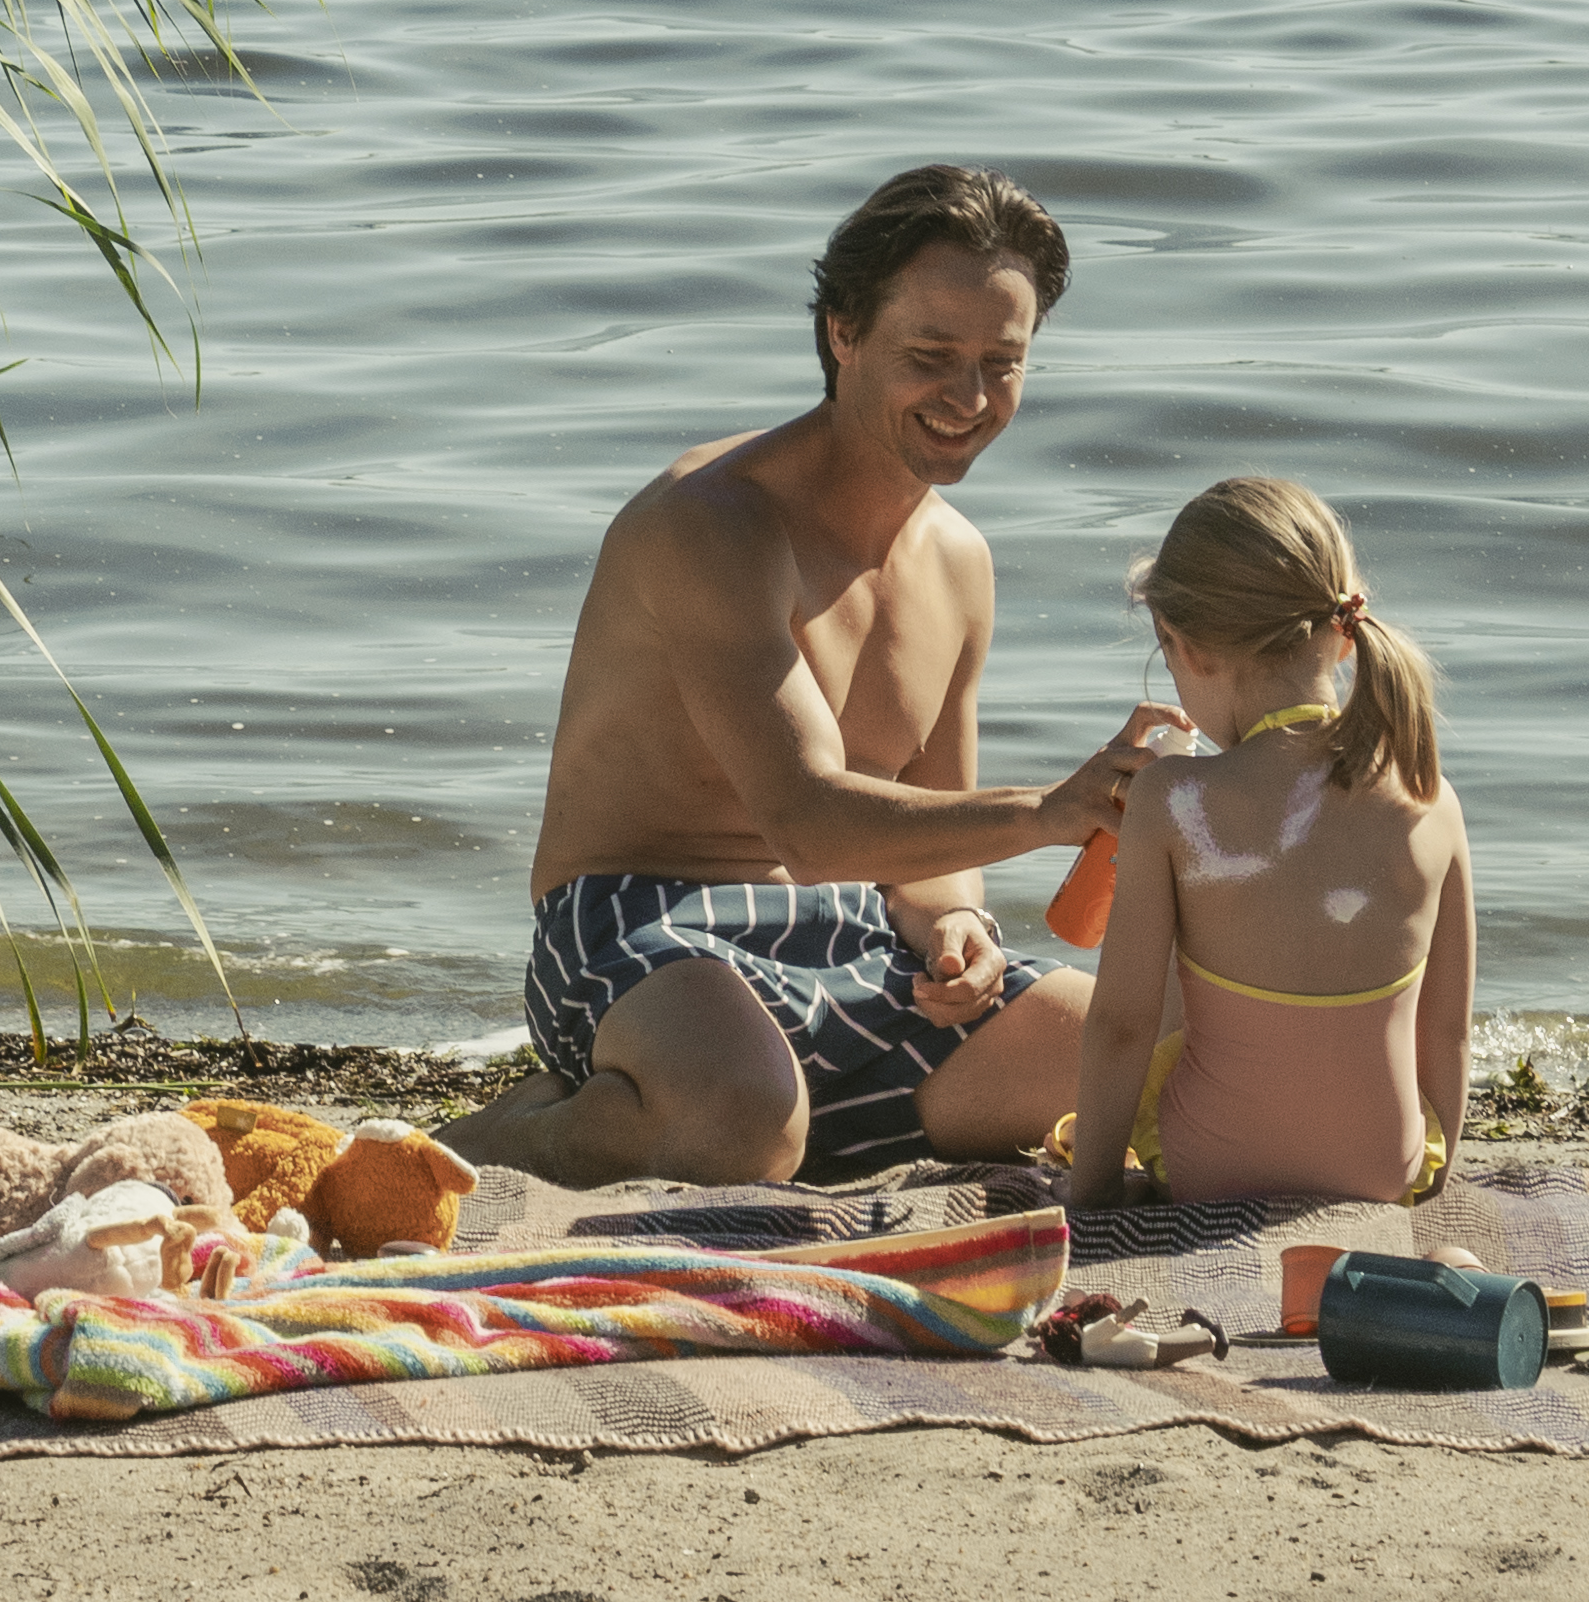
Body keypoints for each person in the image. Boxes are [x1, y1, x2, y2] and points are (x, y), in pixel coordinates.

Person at [439, 165, 1161, 1187]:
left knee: (1151, 1062)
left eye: (1003, 361)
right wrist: (1050, 809)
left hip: (859, 942)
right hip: (644, 923)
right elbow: (807, 823)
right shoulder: (713, 522)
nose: (968, 396)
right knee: (738, 1122)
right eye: (930, 356)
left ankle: (805, 1125)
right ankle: (510, 1134)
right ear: (841, 332)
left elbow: (932, 830)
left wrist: (958, 924)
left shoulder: (959, 559)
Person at [1061, 478, 1473, 1209]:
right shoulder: (1431, 797)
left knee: (1165, 967)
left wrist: (1090, 1192)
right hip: (1384, 1172)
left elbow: (1121, 1026)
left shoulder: (1172, 799)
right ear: (1344, 631)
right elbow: (1446, 1030)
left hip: (1206, 1173)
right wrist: (1430, 1175)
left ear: (1183, 646)